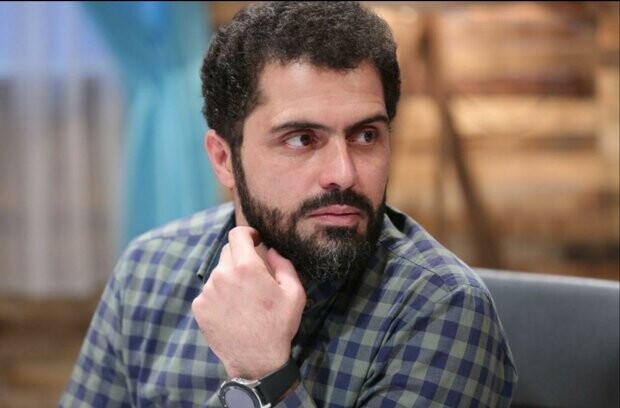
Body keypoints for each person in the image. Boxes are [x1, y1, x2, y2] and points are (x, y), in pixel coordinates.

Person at [60, 2, 517, 407]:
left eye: (366, 135)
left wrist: (264, 374)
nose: (344, 173)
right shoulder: (147, 270)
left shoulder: (443, 307)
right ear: (224, 159)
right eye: (302, 139)